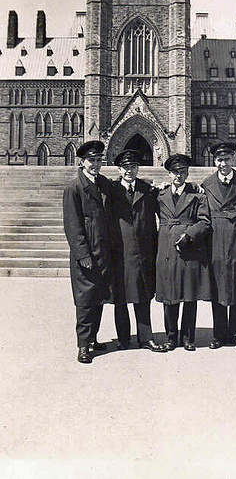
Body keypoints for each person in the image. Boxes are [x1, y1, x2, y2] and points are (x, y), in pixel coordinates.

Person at [63, 140, 117, 363]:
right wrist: (83, 255)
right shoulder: (74, 188)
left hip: (103, 252)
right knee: (85, 300)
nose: (95, 164)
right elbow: (73, 226)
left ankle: (93, 339)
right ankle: (83, 345)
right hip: (86, 255)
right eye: (91, 160)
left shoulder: (104, 184)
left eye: (98, 160)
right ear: (82, 162)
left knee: (98, 297)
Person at [202, 142, 236, 350]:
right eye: (219, 160)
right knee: (218, 286)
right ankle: (219, 334)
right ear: (214, 161)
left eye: (226, 159)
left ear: (233, 160)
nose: (223, 164)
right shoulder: (207, 183)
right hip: (216, 240)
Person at [111, 149, 166, 352]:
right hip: (120, 252)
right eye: (126, 167)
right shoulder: (112, 189)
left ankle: (146, 338)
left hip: (143, 251)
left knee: (143, 296)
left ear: (137, 168)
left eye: (133, 167)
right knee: (121, 298)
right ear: (119, 169)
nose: (129, 171)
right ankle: (123, 338)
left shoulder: (147, 189)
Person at [156, 154, 212, 351]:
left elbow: (205, 221)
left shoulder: (198, 196)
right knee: (170, 296)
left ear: (187, 173)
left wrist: (190, 235)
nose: (178, 176)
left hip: (189, 250)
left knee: (189, 295)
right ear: (169, 174)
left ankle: (188, 337)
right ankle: (171, 337)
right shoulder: (160, 194)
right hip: (167, 250)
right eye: (174, 172)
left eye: (182, 172)